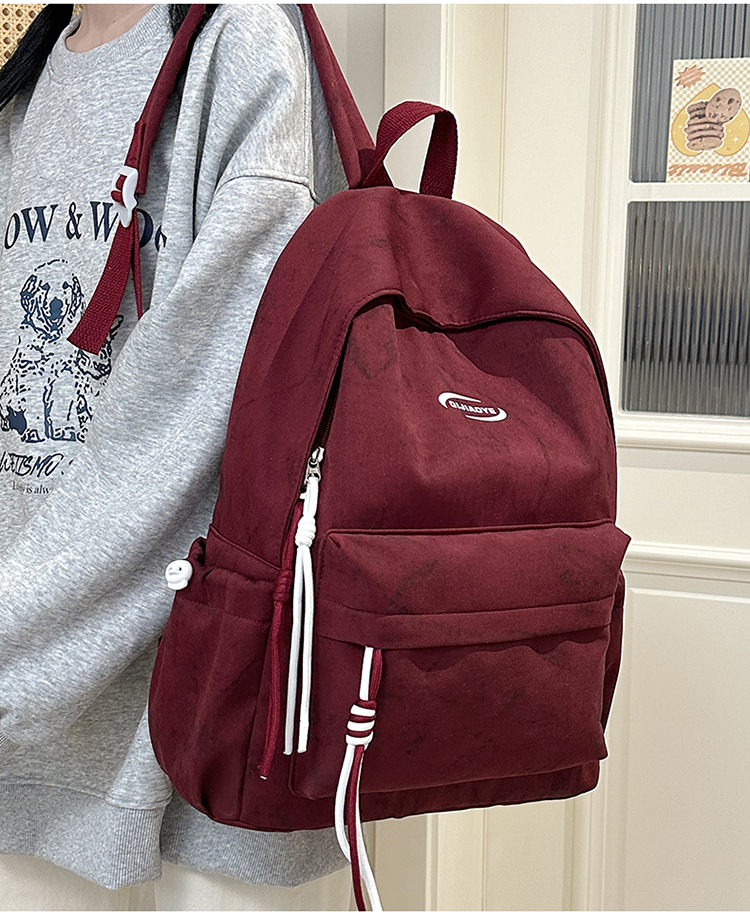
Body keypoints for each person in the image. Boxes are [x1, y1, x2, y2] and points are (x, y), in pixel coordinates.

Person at [0, 2, 351, 910]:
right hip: (31, 724)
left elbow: (220, 385)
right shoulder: (24, 86)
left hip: (206, 714)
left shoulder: (242, 39)